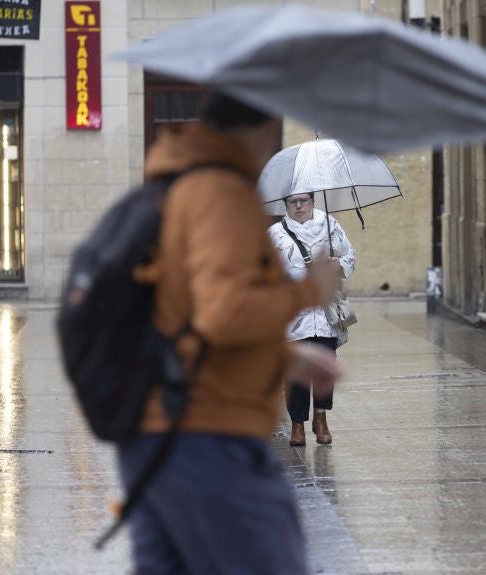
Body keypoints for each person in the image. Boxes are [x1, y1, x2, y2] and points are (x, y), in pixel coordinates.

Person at [117, 92, 344, 574]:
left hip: (151, 420)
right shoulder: (219, 202)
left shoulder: (163, 190)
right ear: (259, 132)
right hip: (207, 426)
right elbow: (222, 314)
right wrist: (305, 295)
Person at [269, 194, 356, 446]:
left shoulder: (330, 226)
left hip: (326, 312)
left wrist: (338, 264)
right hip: (293, 313)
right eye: (293, 202)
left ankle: (321, 418)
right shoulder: (276, 234)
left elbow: (350, 256)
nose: (298, 206)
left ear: (313, 202)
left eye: (303, 201)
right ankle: (297, 424)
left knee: (324, 364)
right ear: (285, 205)